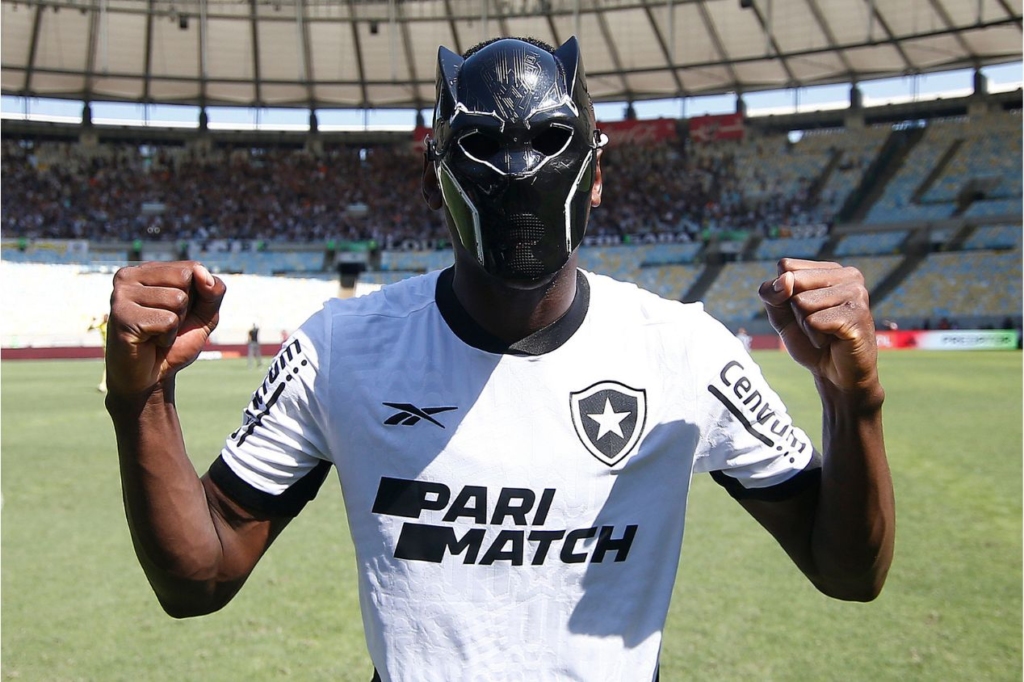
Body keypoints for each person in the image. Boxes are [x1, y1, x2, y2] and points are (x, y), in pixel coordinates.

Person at [104, 37, 894, 682]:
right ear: (431, 171)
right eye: (483, 144)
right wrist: (142, 402)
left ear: (594, 176)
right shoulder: (338, 349)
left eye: (550, 142)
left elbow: (848, 571)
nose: (519, 172)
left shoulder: (685, 350)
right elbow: (199, 578)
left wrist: (852, 405)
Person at [87, 313, 109, 392]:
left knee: (109, 367)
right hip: (107, 348)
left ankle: (104, 385)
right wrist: (93, 322)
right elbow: (89, 329)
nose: (106, 318)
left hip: (115, 348)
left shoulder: (113, 325)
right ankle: (104, 385)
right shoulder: (101, 325)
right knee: (108, 366)